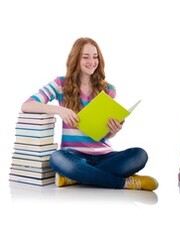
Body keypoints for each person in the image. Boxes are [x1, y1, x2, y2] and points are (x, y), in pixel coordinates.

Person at [22, 37, 158, 191]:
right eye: (85, 57)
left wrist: (112, 131)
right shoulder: (60, 84)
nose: (92, 61)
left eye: (95, 57)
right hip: (73, 155)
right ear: (75, 59)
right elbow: (27, 105)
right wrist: (60, 110)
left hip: (105, 155)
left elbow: (104, 135)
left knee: (139, 155)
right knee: (57, 159)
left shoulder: (108, 89)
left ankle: (73, 177)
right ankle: (125, 183)